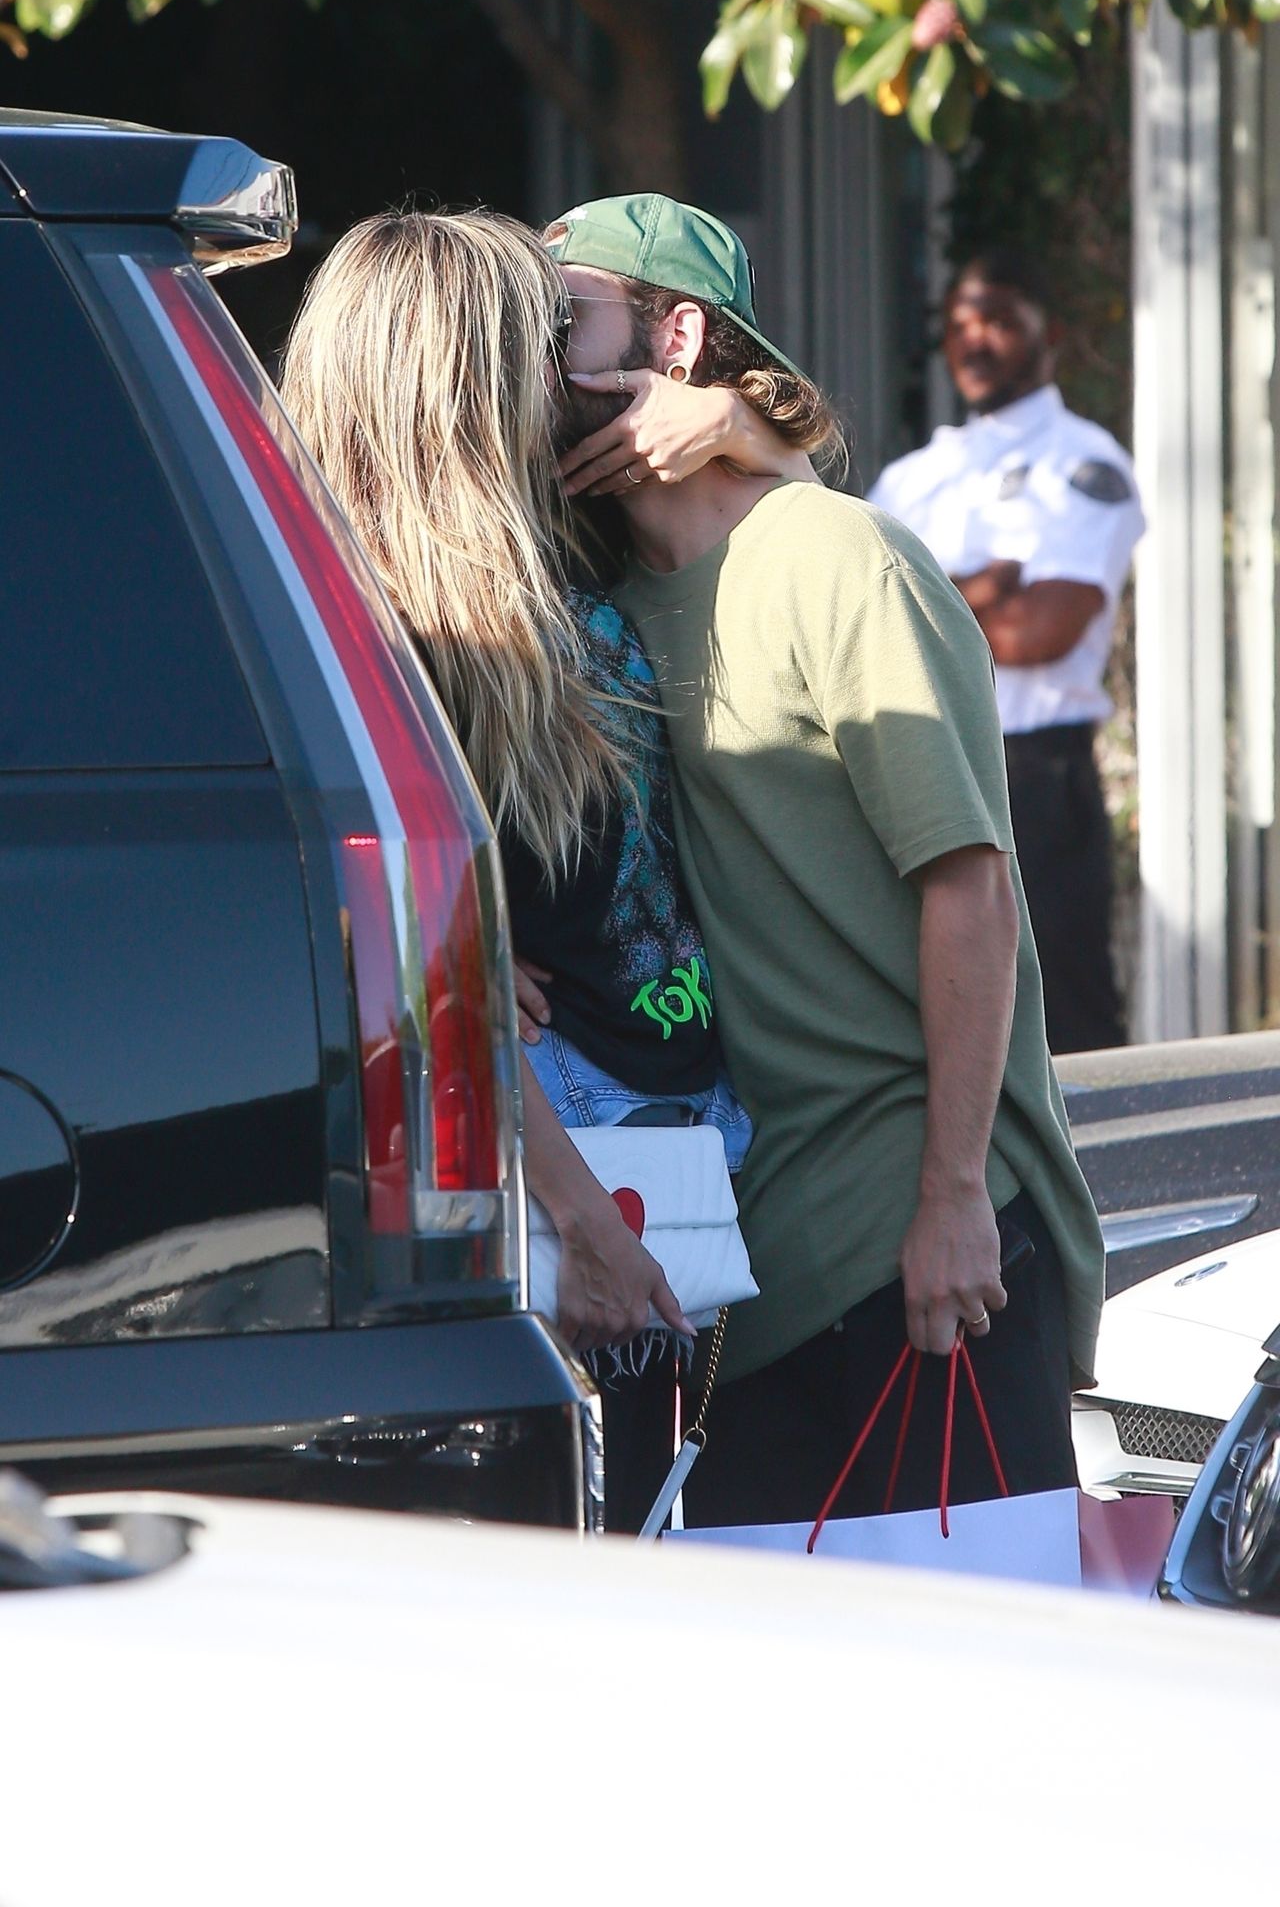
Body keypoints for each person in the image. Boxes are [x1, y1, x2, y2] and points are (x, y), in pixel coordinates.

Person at [538, 193, 1107, 1528]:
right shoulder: (600, 612)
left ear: (676, 338)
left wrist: (952, 1199)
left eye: (559, 319)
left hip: (914, 1255)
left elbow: (970, 887)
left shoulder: (839, 558)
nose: (523, 349)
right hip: (741, 1278)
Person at [278, 208, 804, 1530]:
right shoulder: (378, 638)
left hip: (665, 1166)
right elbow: (413, 979)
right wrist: (584, 1225)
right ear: (467, 380)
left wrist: (746, 428)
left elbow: (804, 536)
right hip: (569, 1209)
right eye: (540, 338)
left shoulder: (550, 556)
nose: (567, 368)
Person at [867, 250, 1145, 1055]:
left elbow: (1043, 633)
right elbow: (859, 620)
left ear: (1048, 333)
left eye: (997, 320)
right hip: (918, 761)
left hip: (1033, 775)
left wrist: (927, 602)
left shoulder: (1082, 462)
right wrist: (984, 588)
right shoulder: (914, 478)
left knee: (1063, 1019)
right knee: (932, 1017)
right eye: (958, 324)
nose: (973, 341)